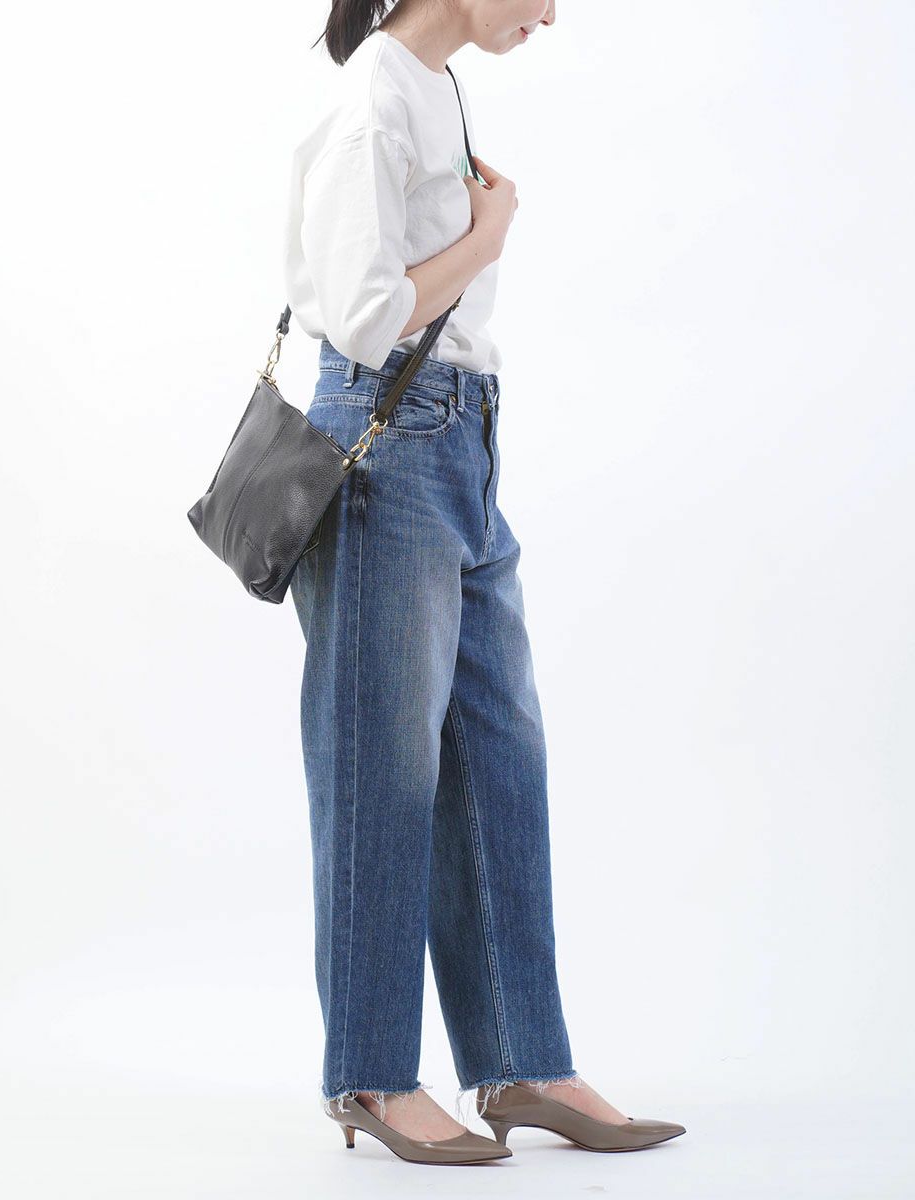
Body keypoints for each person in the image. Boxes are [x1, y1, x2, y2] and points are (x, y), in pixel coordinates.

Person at [281, 0, 686, 1165]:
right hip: (386, 445)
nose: (551, 12)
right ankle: (370, 1076)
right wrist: (491, 232)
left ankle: (522, 1061)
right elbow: (365, 319)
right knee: (382, 774)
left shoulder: (433, 87)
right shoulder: (372, 100)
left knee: (500, 757)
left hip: (461, 442)